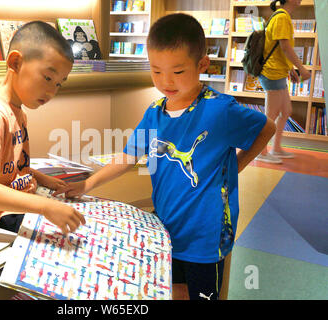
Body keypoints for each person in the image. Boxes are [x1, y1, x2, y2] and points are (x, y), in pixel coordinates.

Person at [55, 13, 276, 300]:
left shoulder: (220, 110)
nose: (166, 81)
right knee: (172, 291)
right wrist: (85, 185)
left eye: (178, 71)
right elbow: (128, 156)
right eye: (156, 71)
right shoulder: (154, 112)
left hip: (206, 238)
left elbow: (266, 127)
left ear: (202, 65)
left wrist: (236, 165)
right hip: (165, 230)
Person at [0, 21, 86, 234]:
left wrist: (41, 178)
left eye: (59, 83)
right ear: (15, 62)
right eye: (48, 77)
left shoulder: (17, 111)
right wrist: (46, 206)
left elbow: (6, 168)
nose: (52, 91)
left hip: (18, 199)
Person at [255, 0, 311, 164]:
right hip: (272, 73)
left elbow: (278, 49)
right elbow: (285, 47)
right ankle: (261, 152)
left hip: (278, 71)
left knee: (286, 110)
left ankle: (276, 147)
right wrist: (301, 69)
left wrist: (291, 70)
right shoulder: (282, 17)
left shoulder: (282, 16)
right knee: (270, 117)